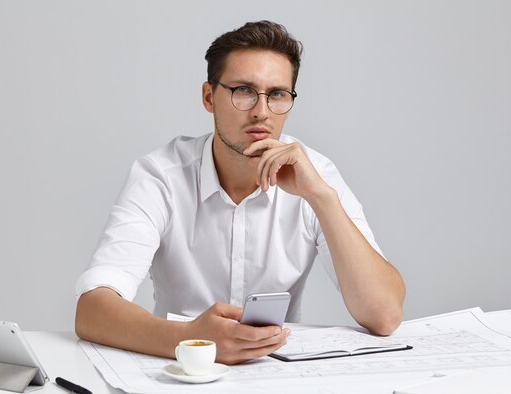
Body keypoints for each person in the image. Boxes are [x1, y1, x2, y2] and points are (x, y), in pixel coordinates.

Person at [75, 20, 405, 365]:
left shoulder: (316, 176)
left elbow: (384, 315)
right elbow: (92, 310)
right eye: (244, 91)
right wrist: (189, 340)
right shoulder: (161, 176)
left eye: (277, 94)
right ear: (208, 97)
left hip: (277, 377)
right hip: (177, 371)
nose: (261, 112)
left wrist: (321, 197)